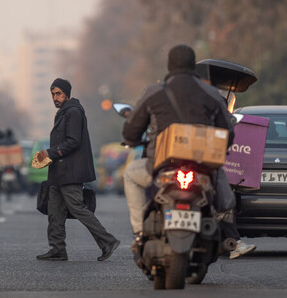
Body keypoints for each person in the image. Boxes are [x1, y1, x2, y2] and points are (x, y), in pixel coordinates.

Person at [122, 44, 254, 257]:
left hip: (160, 165)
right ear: (193, 65)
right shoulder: (211, 93)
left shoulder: (155, 92)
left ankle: (139, 233)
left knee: (129, 174)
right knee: (221, 198)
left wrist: (131, 139)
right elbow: (227, 132)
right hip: (202, 168)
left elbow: (131, 129)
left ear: (169, 65)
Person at [35, 78, 120, 261]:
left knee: (78, 208)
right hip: (59, 172)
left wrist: (51, 153)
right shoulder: (63, 113)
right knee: (54, 211)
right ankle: (57, 249)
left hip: (71, 172)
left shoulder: (73, 112)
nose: (55, 97)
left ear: (66, 93)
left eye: (58, 93)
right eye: (52, 94)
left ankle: (108, 241)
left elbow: (73, 141)